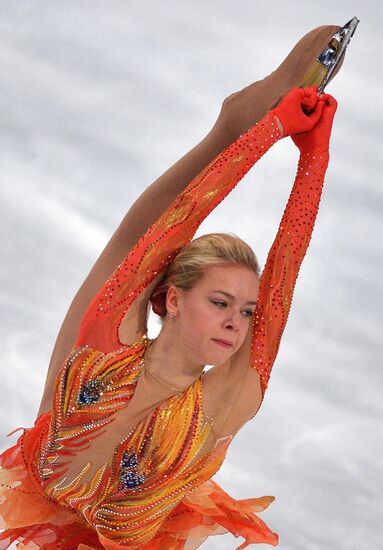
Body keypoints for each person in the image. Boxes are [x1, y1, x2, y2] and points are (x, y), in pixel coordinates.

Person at [0, 24, 340, 550]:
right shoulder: (102, 355)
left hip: (128, 532)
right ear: (174, 301)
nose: (236, 322)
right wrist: (263, 132)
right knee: (138, 246)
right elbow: (179, 221)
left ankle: (231, 127)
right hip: (55, 460)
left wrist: (311, 156)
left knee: (134, 253)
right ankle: (227, 128)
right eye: (221, 303)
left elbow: (282, 282)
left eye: (246, 312)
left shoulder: (227, 401)